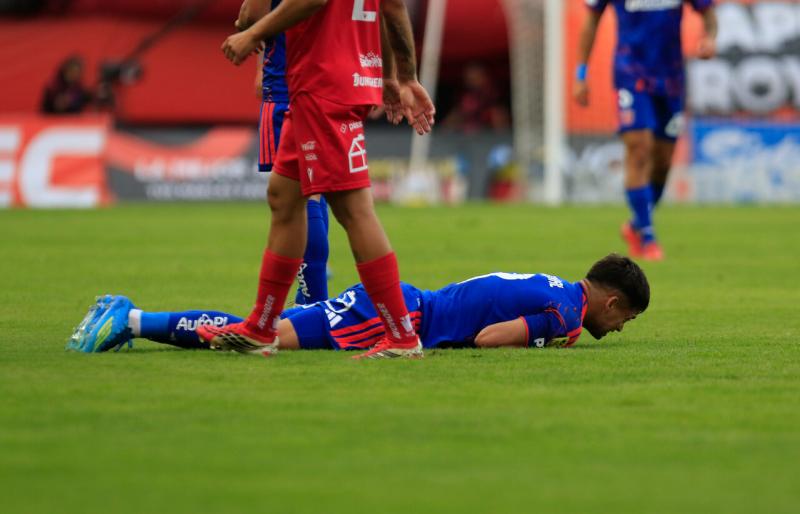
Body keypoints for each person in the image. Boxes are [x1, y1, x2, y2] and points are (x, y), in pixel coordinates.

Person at [205, 0, 436, 359]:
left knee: (354, 209)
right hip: (339, 76)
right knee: (283, 197)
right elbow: (393, 7)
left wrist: (253, 32)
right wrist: (399, 76)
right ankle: (262, 327)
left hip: (323, 79)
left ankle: (402, 337)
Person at [66, 254, 649, 355]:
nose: (618, 329)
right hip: (395, 314)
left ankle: (134, 319)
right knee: (261, 337)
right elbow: (487, 340)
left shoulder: (557, 289)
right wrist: (550, 343)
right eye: (624, 318)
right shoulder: (566, 316)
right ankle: (132, 317)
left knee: (262, 332)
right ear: (614, 302)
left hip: (397, 305)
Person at [574, 0, 717, 261]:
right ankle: (648, 235)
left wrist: (709, 38)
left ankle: (637, 224)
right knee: (639, 149)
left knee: (662, 162)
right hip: (630, 74)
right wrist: (581, 73)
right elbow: (591, 20)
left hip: (671, 79)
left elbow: (708, 13)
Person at [239, 0, 330, 305]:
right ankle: (312, 296)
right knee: (319, 191)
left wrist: (247, 29)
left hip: (288, 86)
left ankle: (313, 301)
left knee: (295, 197)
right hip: (331, 84)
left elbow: (253, 14)